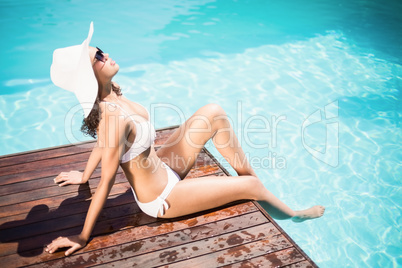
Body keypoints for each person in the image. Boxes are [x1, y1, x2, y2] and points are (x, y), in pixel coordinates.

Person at [45, 22, 324, 256]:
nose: (107, 56)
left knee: (213, 112)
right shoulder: (111, 118)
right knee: (251, 186)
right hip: (162, 197)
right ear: (89, 76)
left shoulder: (113, 91)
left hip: (164, 167)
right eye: (99, 58)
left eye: (102, 51)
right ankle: (293, 213)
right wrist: (82, 237)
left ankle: (250, 184)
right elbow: (107, 180)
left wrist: (83, 176)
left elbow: (102, 145)